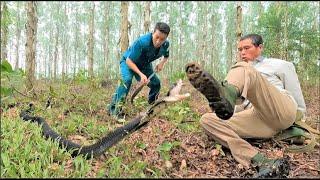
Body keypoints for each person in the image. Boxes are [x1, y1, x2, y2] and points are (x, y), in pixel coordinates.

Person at [185, 34, 306, 178]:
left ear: (260, 47)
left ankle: (227, 93)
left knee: (244, 67)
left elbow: (296, 96)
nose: (242, 52)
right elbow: (237, 107)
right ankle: (261, 161)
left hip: (281, 110)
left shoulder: (279, 65)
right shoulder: (238, 71)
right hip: (258, 119)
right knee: (207, 120)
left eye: (246, 48)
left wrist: (301, 124)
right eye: (240, 49)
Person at [108, 22, 170, 119]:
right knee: (127, 80)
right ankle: (114, 110)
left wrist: (161, 63)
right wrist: (141, 75)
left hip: (145, 65)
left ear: (166, 38)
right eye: (157, 37)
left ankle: (151, 107)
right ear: (153, 33)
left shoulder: (165, 44)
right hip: (128, 62)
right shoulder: (142, 42)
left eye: (162, 39)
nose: (158, 41)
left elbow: (166, 56)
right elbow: (129, 61)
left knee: (156, 83)